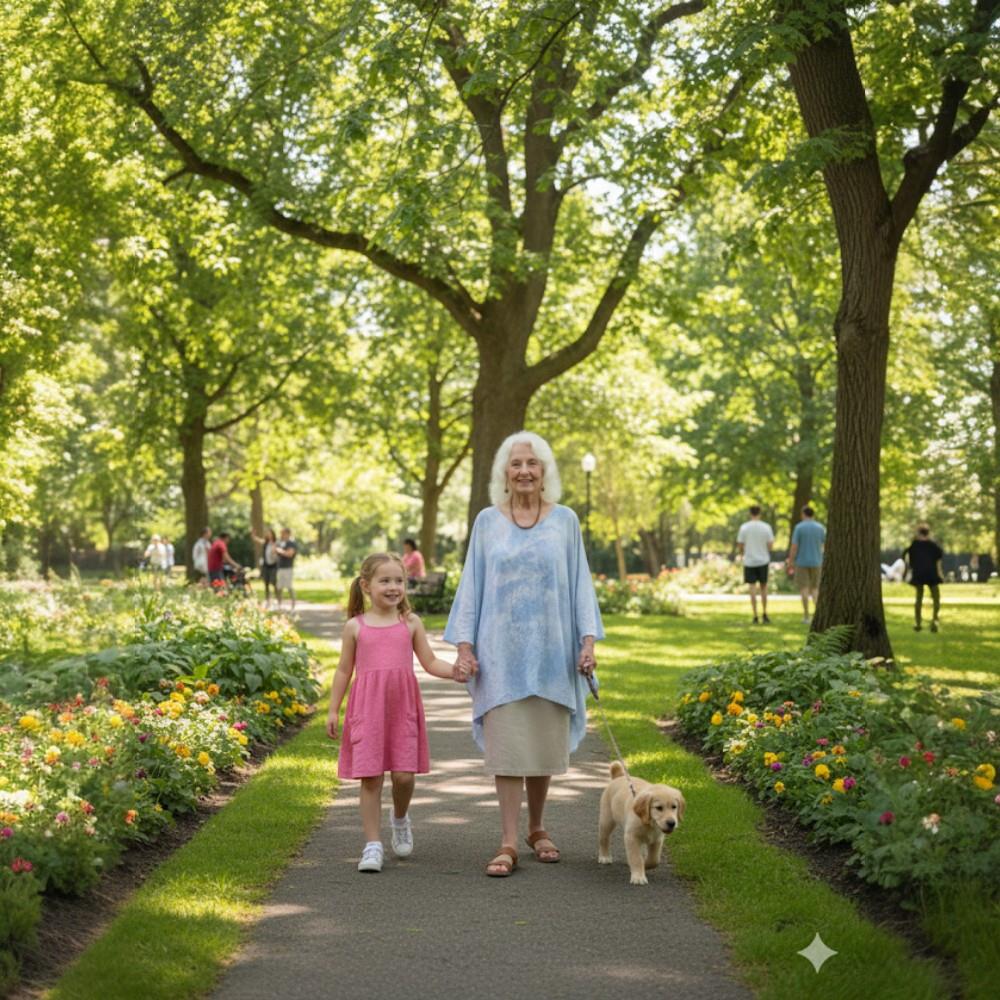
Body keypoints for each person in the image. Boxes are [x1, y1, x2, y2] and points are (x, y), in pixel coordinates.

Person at [445, 431, 603, 878]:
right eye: (516, 464)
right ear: (504, 473)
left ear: (545, 471)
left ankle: (538, 827)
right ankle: (509, 840)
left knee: (540, 745)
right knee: (510, 748)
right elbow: (471, 585)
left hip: (552, 653)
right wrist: (465, 647)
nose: (524, 471)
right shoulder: (487, 522)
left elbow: (580, 585)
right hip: (501, 655)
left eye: (532, 463)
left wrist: (587, 642)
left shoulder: (566, 521)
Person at [326, 552, 466, 873]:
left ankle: (400, 818)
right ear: (366, 585)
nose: (393, 587)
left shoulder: (410, 623)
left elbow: (430, 662)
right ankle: (372, 845)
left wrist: (456, 670)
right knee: (371, 777)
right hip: (367, 709)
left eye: (399, 581)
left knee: (403, 775)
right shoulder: (355, 627)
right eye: (385, 580)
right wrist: (333, 710)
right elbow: (343, 670)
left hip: (402, 707)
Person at [786, 506, 826, 624]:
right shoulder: (820, 528)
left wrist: (790, 561)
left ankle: (806, 616)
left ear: (803, 514)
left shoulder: (799, 527)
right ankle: (819, 616)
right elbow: (825, 544)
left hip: (801, 562)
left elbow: (794, 546)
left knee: (804, 588)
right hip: (817, 561)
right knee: (815, 589)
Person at [736, 505, 774, 624]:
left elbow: (740, 544)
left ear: (750, 513)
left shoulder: (744, 527)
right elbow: (770, 545)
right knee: (764, 587)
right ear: (760, 513)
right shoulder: (766, 527)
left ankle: (755, 615)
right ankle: (765, 613)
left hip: (750, 561)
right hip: (763, 560)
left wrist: (742, 554)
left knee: (752, 588)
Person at [903, 524, 944, 632]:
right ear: (928, 533)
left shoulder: (914, 545)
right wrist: (940, 574)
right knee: (936, 598)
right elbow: (938, 560)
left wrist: (908, 572)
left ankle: (918, 623)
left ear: (919, 533)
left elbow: (907, 558)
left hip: (918, 574)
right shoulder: (933, 545)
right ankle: (934, 621)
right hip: (932, 574)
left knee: (918, 598)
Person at [252, 528, 279, 608]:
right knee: (266, 583)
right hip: (266, 565)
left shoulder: (276, 543)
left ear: (273, 534)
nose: (268, 535)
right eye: (267, 533)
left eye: (270, 533)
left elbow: (277, 553)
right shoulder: (265, 543)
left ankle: (277, 600)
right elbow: (257, 540)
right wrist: (253, 535)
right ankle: (268, 600)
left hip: (273, 565)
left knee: (273, 582)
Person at [275, 528, 298, 613]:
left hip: (288, 568)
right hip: (280, 568)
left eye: (283, 533)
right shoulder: (280, 543)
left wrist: (280, 551)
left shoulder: (291, 544)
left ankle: (293, 605)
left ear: (288, 534)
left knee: (289, 587)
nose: (281, 535)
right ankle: (279, 605)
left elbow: (289, 554)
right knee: (279, 587)